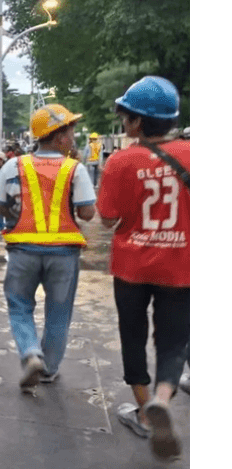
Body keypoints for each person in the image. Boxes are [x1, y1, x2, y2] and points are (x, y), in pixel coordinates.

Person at [96, 76, 189, 461]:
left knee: (132, 336)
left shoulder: (121, 161)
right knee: (173, 340)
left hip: (131, 266)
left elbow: (106, 218)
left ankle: (143, 409)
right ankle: (165, 398)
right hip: (182, 265)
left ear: (135, 122)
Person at [0, 104, 96, 392]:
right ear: (58, 137)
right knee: (59, 312)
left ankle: (31, 352)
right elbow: (87, 213)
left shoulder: (14, 165)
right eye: (70, 132)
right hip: (64, 254)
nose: (74, 137)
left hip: (22, 251)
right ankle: (48, 370)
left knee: (19, 307)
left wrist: (13, 213)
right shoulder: (75, 169)